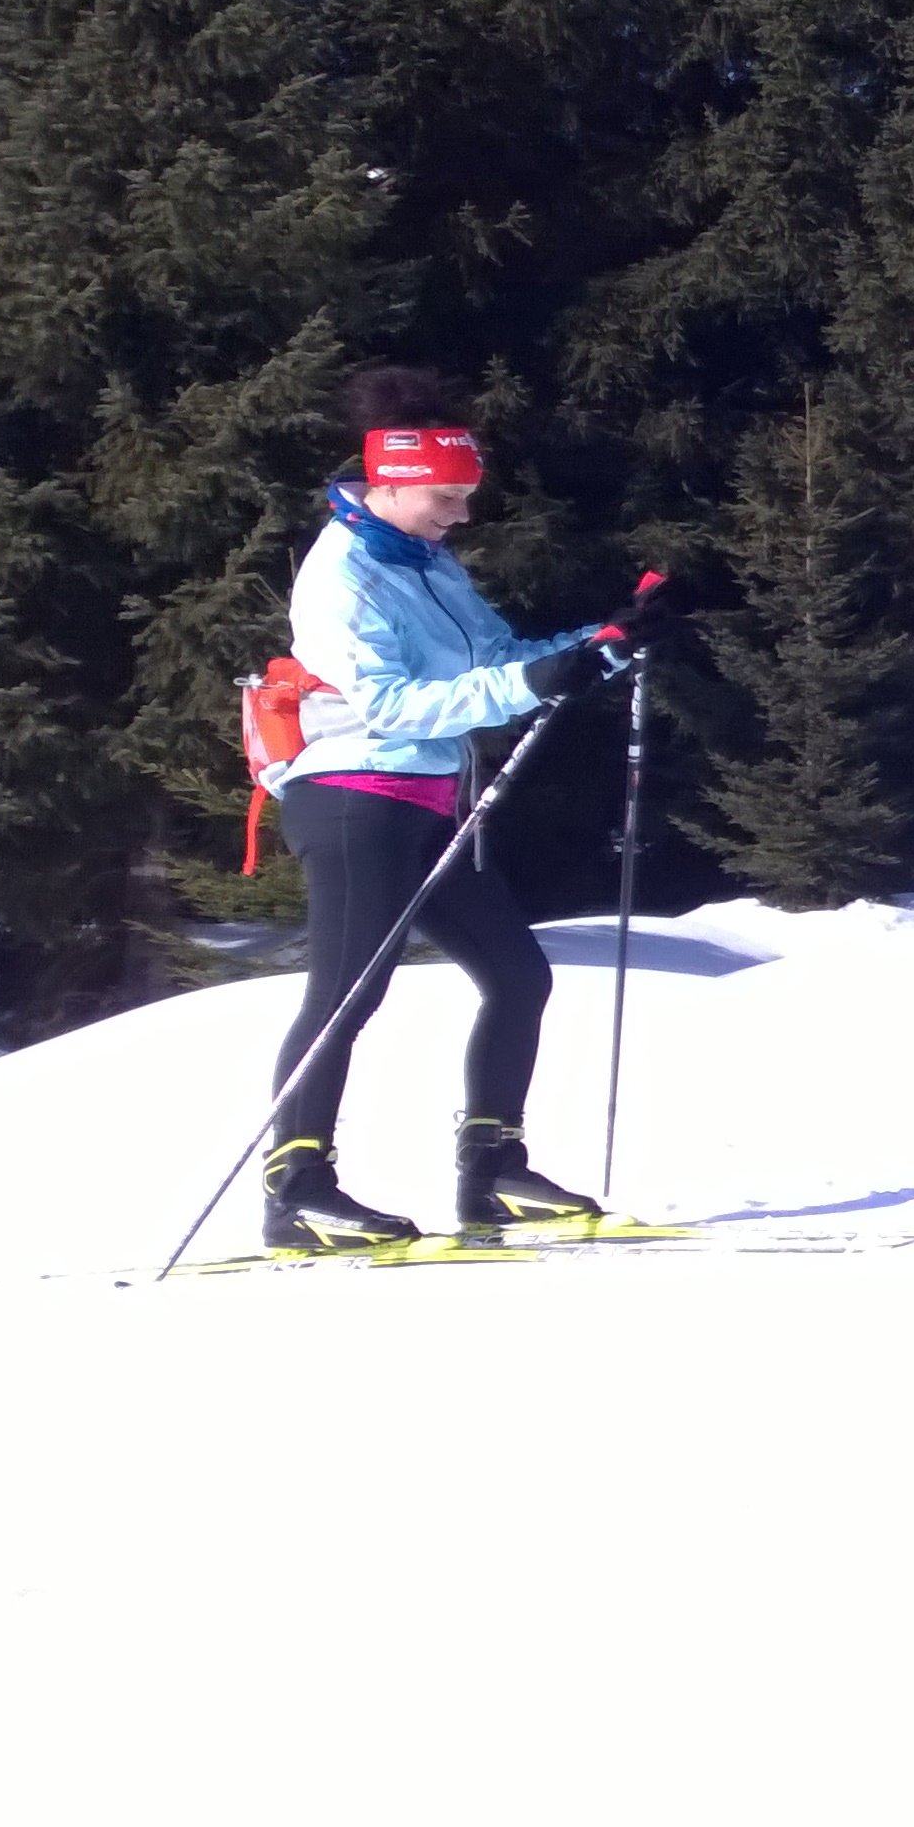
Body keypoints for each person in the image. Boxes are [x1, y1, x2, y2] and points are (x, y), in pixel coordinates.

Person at [248, 367, 670, 1252]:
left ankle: (493, 1174)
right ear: (395, 484)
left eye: (467, 495)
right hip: (354, 796)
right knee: (346, 995)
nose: (463, 514)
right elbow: (391, 705)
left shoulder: (424, 557)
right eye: (448, 497)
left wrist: (600, 642)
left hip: (429, 802)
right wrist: (533, 680)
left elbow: (498, 658)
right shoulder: (343, 575)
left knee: (518, 976)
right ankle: (296, 1191)